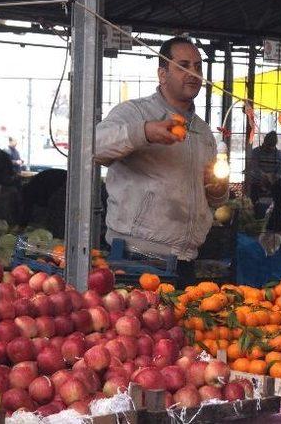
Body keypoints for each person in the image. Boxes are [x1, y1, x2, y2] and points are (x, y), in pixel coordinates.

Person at [95, 37, 228, 288]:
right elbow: (94, 146)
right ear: (162, 73)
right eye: (183, 65)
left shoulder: (203, 132)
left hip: (185, 259)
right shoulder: (134, 113)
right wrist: (144, 132)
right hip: (135, 258)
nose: (193, 73)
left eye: (198, 66)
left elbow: (215, 195)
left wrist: (218, 191)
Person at [248, 131, 281, 210]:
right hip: (257, 183)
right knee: (254, 206)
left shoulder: (279, 154)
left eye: (271, 147)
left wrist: (272, 178)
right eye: (267, 146)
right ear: (264, 142)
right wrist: (264, 175)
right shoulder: (256, 152)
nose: (268, 149)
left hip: (273, 184)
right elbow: (253, 168)